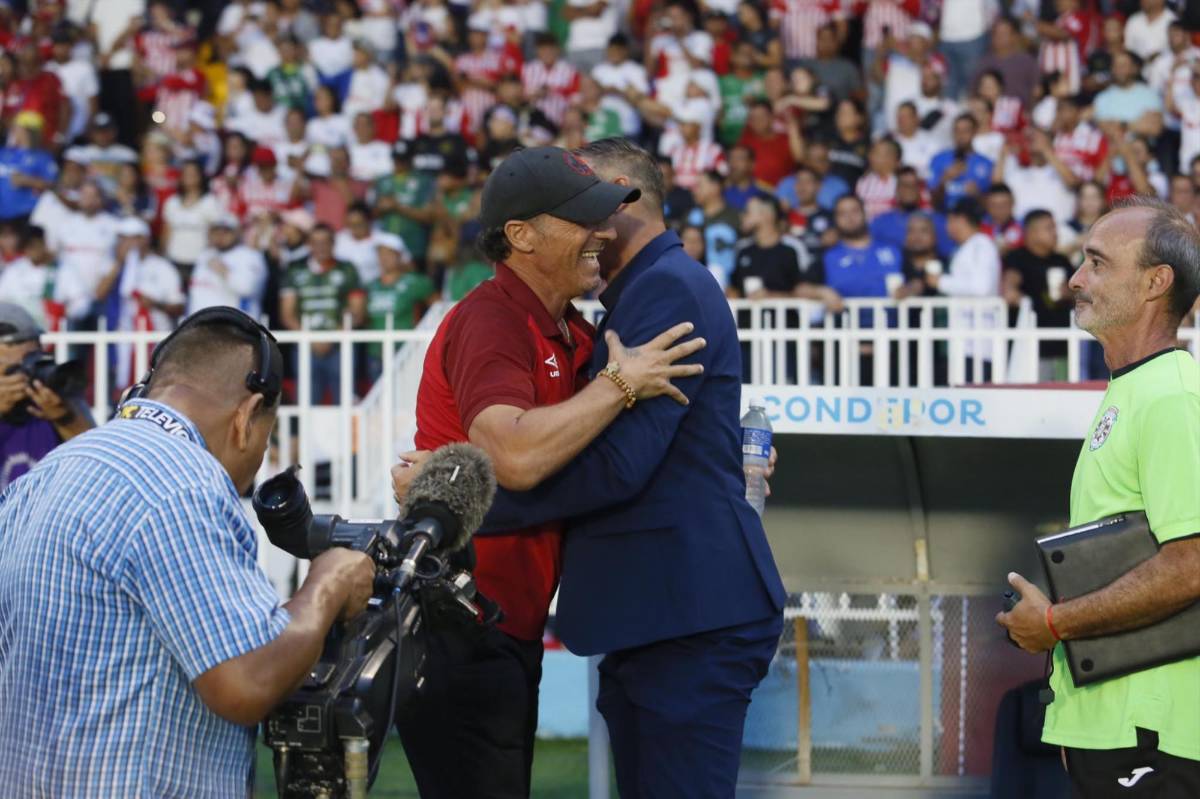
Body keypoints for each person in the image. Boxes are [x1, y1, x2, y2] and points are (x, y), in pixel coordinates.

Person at [423, 137, 786, 798]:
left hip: (682, 613)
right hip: (621, 614)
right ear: (523, 234)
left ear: (623, 196)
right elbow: (571, 444)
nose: (594, 227)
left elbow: (619, 463)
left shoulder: (656, 291)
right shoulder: (564, 315)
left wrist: (459, 503)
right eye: (581, 211)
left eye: (598, 206)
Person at [0, 308, 375, 796]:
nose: (259, 456)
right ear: (245, 415)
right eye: (267, 434)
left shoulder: (48, 472)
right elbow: (246, 682)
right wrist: (328, 583)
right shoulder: (183, 483)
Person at [997, 197, 1200, 796]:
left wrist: (1055, 622)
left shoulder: (1171, 398)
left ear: (1155, 283)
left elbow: (1190, 562)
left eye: (1097, 263)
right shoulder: (1134, 389)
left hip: (1152, 735)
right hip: (1111, 728)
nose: (1076, 280)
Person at [0, 302, 93, 492]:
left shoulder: (53, 392)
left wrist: (66, 418)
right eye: (12, 369)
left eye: (32, 360)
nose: (25, 375)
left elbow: (97, 464)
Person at [188, 213, 269, 319]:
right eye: (216, 231)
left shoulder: (251, 256)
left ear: (237, 233)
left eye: (226, 231)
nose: (220, 236)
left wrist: (224, 271)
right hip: (201, 324)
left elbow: (248, 288)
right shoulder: (204, 255)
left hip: (238, 324)